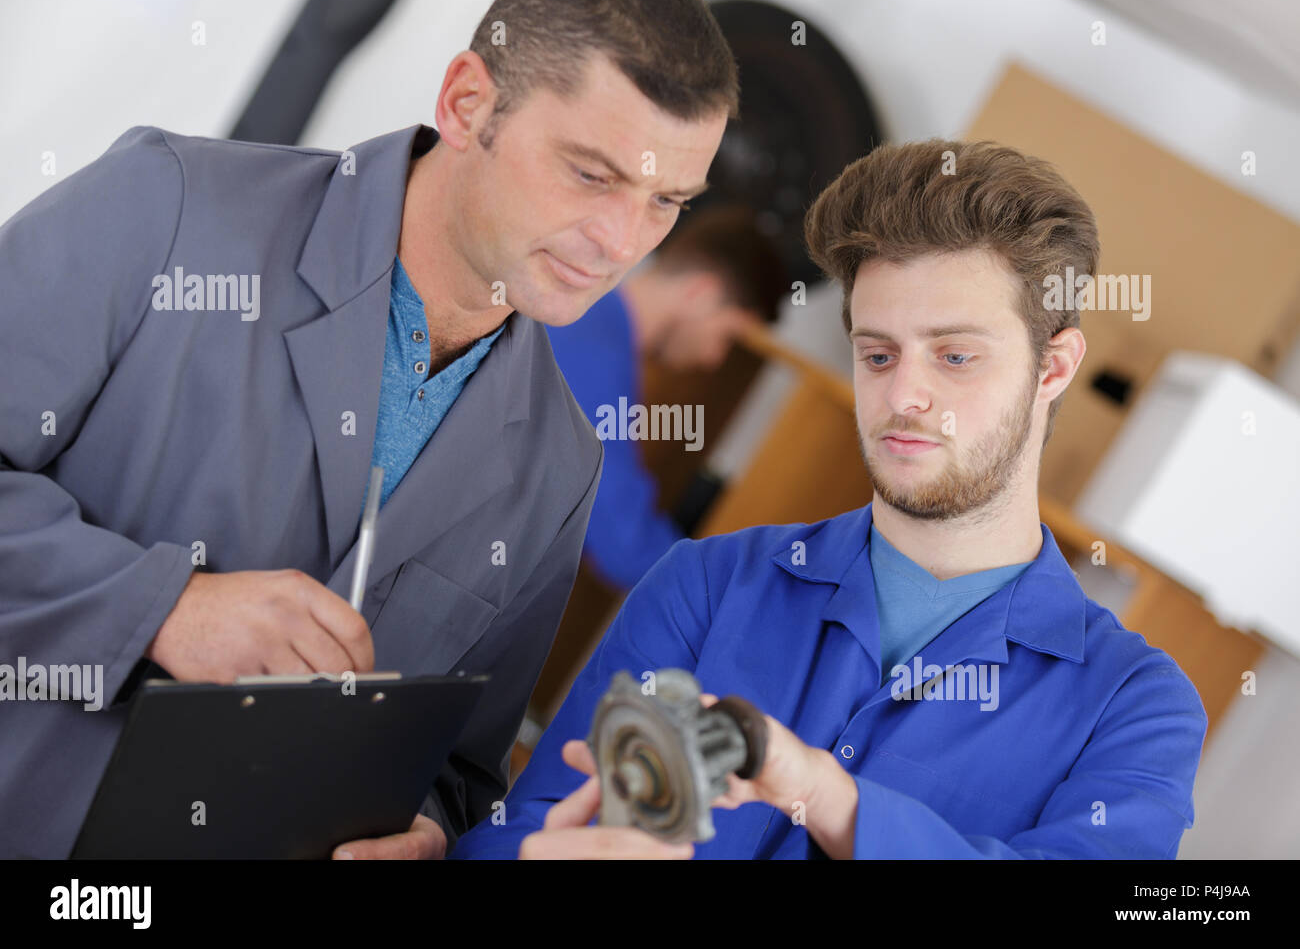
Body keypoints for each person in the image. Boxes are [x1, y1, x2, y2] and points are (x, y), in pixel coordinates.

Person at [0, 0, 737, 859]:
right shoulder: (172, 208)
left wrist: (424, 827)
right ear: (468, 103)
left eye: (666, 202)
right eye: (592, 173)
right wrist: (160, 607)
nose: (621, 240)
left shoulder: (563, 464)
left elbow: (459, 767)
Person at [450, 139, 1209, 860]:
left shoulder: (1136, 707)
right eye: (878, 354)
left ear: (1052, 368)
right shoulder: (707, 585)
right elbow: (520, 828)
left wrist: (829, 799)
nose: (904, 395)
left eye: (954, 355)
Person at [546, 205, 788, 591]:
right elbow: (622, 539)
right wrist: (732, 599)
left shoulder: (587, 320)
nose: (714, 359)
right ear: (701, 293)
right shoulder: (591, 346)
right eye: (727, 337)